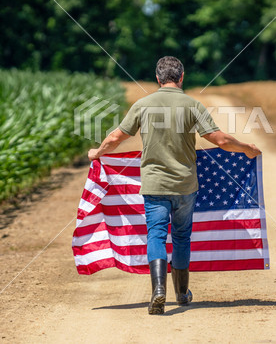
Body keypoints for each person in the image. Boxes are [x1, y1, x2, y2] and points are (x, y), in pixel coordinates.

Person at [88, 56, 261, 315]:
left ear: (158, 79)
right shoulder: (192, 105)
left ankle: (159, 290)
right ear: (182, 77)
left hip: (154, 185)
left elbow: (115, 138)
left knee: (156, 234)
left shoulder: (142, 105)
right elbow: (221, 140)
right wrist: (247, 148)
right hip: (184, 185)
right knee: (181, 237)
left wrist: (97, 153)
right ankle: (181, 292)